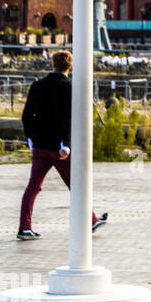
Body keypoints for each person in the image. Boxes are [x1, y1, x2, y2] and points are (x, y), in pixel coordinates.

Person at [18, 51, 106, 239]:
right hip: (60, 149)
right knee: (76, 185)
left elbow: (26, 116)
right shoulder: (70, 88)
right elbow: (69, 118)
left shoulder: (37, 85)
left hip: (40, 147)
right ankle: (91, 221)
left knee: (33, 187)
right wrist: (66, 144)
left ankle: (24, 227)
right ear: (70, 66)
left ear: (52, 64)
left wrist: (31, 139)